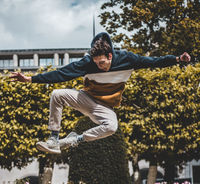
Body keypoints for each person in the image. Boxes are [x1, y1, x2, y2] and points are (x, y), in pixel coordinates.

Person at [11, 32, 191, 154]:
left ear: (111, 56)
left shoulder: (127, 59)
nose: (100, 66)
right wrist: (31, 79)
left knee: (112, 127)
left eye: (103, 62)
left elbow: (153, 61)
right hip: (86, 99)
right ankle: (54, 139)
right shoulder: (87, 62)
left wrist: (176, 59)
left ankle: (75, 139)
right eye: (97, 63)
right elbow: (62, 73)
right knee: (57, 94)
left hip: (105, 107)